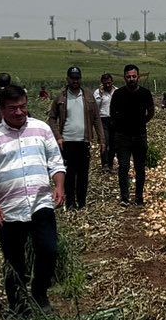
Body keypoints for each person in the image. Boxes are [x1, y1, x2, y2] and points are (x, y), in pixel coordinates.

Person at [0, 84, 65, 314]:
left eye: (22, 107)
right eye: (12, 108)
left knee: (49, 250)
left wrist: (58, 186)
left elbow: (56, 162)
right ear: (2, 110)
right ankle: (17, 304)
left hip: (40, 203)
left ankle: (39, 292)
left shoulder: (42, 129)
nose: (19, 112)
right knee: (14, 260)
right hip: (9, 208)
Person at [48, 67, 102, 211]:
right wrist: (58, 137)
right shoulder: (61, 98)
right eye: (72, 78)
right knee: (69, 174)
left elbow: (97, 119)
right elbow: (52, 118)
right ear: (67, 79)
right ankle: (70, 203)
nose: (75, 81)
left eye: (77, 78)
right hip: (66, 142)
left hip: (83, 141)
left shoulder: (88, 97)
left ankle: (82, 203)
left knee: (83, 175)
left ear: (80, 79)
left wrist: (101, 140)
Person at [108, 64, 156, 205]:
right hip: (123, 137)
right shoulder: (118, 94)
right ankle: (125, 197)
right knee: (123, 167)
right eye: (128, 77)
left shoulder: (145, 93)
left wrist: (142, 122)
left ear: (138, 77)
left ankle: (139, 197)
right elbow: (112, 113)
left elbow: (151, 112)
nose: (131, 79)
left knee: (140, 168)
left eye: (133, 76)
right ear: (124, 78)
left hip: (140, 135)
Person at [96, 73, 117, 172]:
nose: (107, 85)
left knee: (113, 143)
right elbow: (96, 107)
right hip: (103, 119)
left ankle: (110, 164)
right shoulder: (98, 93)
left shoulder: (117, 91)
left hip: (114, 119)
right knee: (105, 142)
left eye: (109, 83)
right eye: (105, 83)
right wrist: (100, 95)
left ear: (112, 82)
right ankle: (104, 164)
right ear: (102, 83)